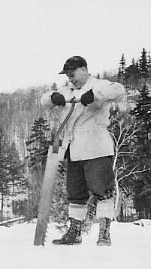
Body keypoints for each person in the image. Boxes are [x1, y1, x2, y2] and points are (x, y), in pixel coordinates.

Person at [41, 56, 125, 246]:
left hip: (96, 146)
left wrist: (95, 96)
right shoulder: (67, 90)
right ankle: (75, 232)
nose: (70, 77)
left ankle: (104, 233)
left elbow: (118, 90)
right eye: (68, 74)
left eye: (73, 73)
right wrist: (53, 98)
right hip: (74, 147)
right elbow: (44, 99)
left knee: (102, 191)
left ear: (84, 70)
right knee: (76, 193)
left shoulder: (99, 84)